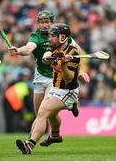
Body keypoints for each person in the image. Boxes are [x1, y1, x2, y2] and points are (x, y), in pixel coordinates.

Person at [8, 10, 89, 146]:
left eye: (47, 22)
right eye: (41, 22)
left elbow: (78, 51)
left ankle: (29, 142)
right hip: (40, 77)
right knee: (43, 113)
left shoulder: (62, 35)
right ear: (38, 23)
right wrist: (19, 51)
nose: (44, 25)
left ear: (52, 22)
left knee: (43, 112)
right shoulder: (36, 37)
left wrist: (79, 70)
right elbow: (29, 49)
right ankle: (56, 134)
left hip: (55, 78)